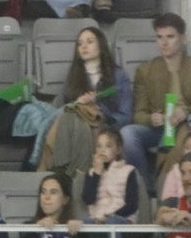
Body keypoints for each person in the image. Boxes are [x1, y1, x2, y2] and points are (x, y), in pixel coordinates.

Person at [121, 14, 191, 183]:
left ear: (183, 38)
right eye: (159, 37)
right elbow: (138, 113)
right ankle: (147, 184)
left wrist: (187, 111)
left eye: (170, 37)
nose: (164, 43)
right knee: (127, 134)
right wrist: (152, 118)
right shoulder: (145, 70)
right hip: (160, 127)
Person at [37, 28, 134, 175]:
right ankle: (76, 173)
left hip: (105, 126)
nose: (83, 46)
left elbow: (125, 117)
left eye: (89, 42)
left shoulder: (118, 76)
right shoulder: (74, 76)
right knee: (72, 116)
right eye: (80, 43)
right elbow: (64, 108)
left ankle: (63, 171)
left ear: (101, 46)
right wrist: (79, 104)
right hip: (75, 124)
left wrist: (97, 107)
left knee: (78, 121)